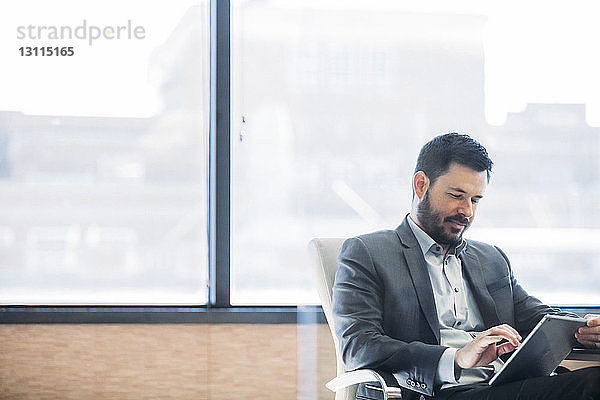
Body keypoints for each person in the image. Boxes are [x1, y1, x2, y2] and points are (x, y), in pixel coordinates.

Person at [332, 133, 600, 400]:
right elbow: (358, 345)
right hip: (435, 392)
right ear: (421, 185)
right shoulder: (368, 252)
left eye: (475, 200)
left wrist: (586, 328)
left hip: (502, 384)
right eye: (457, 195)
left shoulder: (490, 258)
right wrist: (456, 358)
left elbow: (538, 317)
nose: (467, 211)